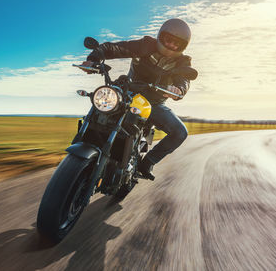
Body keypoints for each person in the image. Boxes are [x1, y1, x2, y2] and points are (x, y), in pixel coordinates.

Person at [81, 18, 197, 181]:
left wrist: (178, 89)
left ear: (183, 46)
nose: (171, 45)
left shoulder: (183, 62)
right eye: (168, 39)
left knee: (180, 132)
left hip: (154, 104)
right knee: (100, 103)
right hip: (127, 92)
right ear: (161, 36)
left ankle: (147, 162)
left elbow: (184, 79)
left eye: (176, 43)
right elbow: (117, 48)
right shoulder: (146, 45)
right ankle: (83, 143)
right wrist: (95, 58)